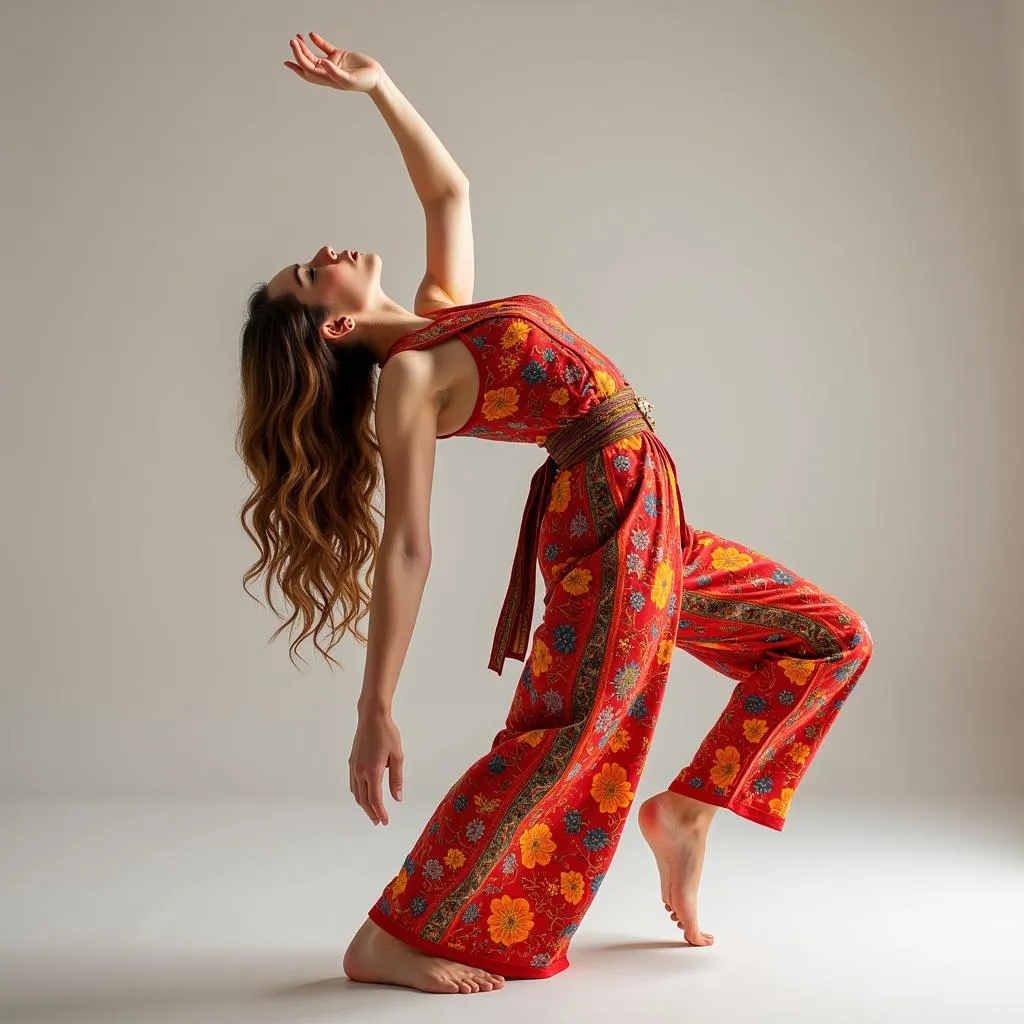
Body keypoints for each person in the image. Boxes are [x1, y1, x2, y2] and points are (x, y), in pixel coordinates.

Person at [237, 34, 874, 996]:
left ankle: (691, 811)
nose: (326, 250)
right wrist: (376, 708)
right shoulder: (409, 380)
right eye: (309, 271)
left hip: (653, 524)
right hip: (608, 531)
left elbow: (447, 193)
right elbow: (408, 545)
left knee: (830, 640)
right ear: (332, 324)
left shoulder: (442, 314)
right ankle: (391, 936)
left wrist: (379, 88)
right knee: (567, 736)